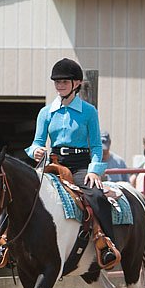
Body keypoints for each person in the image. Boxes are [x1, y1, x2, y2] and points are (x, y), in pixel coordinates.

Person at [26, 58, 117, 266]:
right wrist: (36, 151)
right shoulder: (45, 113)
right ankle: (6, 244)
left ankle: (107, 245)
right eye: (56, 82)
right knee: (22, 193)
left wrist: (94, 171)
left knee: (96, 196)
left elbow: (96, 146)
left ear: (76, 84)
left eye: (64, 82)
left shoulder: (89, 112)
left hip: (80, 164)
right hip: (54, 163)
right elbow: (36, 143)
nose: (59, 86)